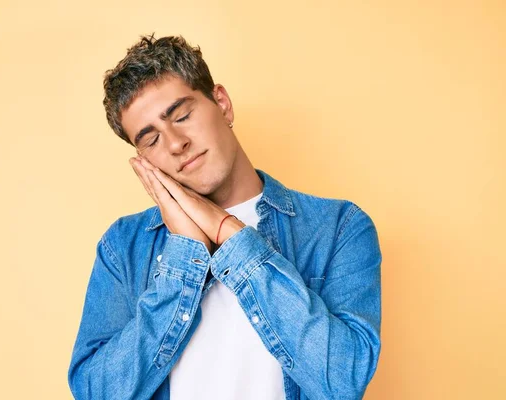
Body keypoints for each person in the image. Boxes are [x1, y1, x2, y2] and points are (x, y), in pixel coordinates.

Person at [67, 34, 382, 400]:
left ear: (222, 104)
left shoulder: (338, 227)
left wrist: (229, 235)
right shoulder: (123, 245)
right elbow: (96, 392)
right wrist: (184, 255)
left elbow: (343, 381)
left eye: (182, 115)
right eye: (151, 140)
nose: (174, 143)